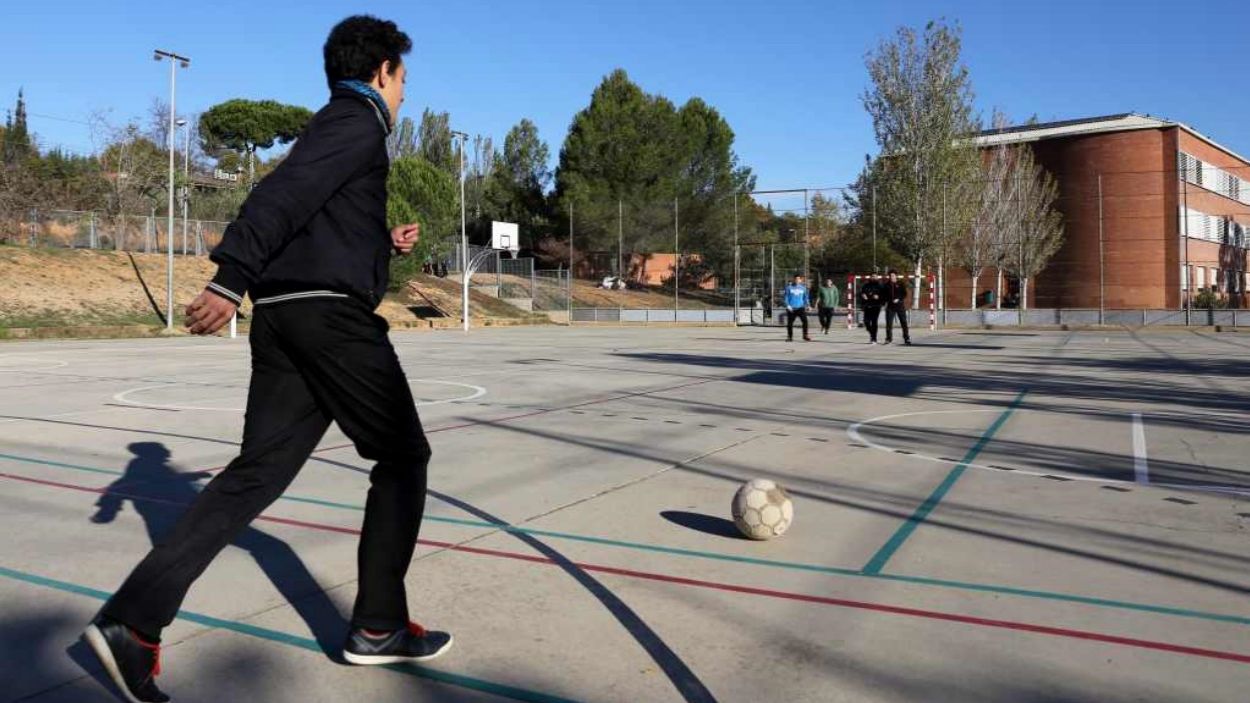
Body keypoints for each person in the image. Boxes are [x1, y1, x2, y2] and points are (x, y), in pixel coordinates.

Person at [83, 16, 451, 703]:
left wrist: (382, 243)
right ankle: (378, 627)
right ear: (380, 72)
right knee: (403, 457)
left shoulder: (334, 128)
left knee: (257, 472)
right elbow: (278, 197)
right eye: (403, 79)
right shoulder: (357, 122)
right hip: (328, 320)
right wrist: (230, 277)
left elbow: (313, 214)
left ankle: (132, 623)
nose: (405, 93)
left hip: (286, 318)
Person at [883, 270, 912, 345]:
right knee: (889, 323)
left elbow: (904, 294)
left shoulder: (900, 284)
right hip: (890, 307)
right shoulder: (886, 285)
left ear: (896, 276)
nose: (891, 277)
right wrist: (885, 301)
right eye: (890, 276)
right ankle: (888, 339)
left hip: (900, 306)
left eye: (893, 275)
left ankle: (907, 338)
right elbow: (884, 296)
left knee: (904, 322)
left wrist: (898, 299)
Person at [783, 274, 812, 342]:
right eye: (795, 279)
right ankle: (790, 337)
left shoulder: (803, 288)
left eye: (798, 279)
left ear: (800, 280)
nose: (797, 280)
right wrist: (787, 305)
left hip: (800, 307)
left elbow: (805, 298)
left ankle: (805, 335)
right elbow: (785, 297)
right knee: (790, 323)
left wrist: (808, 305)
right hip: (791, 308)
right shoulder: (789, 288)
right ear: (793, 279)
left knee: (805, 321)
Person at [858, 274, 884, 344]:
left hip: (876, 305)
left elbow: (884, 296)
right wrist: (863, 295)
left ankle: (874, 338)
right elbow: (862, 293)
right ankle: (872, 334)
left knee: (874, 322)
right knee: (866, 321)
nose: (873, 278)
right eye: (872, 276)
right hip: (867, 305)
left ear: (877, 278)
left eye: (875, 276)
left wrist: (878, 297)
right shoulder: (866, 285)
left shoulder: (880, 286)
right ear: (870, 277)